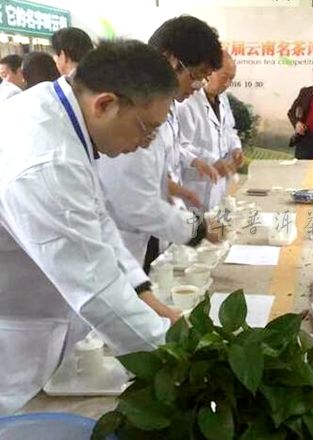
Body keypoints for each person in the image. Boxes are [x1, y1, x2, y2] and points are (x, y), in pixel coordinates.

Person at [0, 40, 179, 415]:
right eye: (146, 129)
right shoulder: (49, 160)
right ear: (104, 104)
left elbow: (98, 222)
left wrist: (146, 295)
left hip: (39, 319)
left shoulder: (59, 115)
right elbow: (95, 289)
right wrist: (180, 357)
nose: (145, 144)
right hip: (16, 341)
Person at [96, 16, 222, 270]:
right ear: (171, 60)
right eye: (196, 76)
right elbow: (135, 201)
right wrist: (199, 228)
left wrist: (172, 187)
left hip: (145, 233)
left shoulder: (164, 105)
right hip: (119, 240)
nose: (198, 86)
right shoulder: (131, 107)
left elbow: (151, 164)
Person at [177, 50, 245, 209]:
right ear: (209, 73)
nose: (227, 83)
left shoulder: (223, 99)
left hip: (218, 185)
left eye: (231, 79)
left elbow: (229, 129)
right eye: (224, 77)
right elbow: (180, 146)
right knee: (195, 221)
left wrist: (236, 148)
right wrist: (211, 160)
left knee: (217, 220)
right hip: (194, 186)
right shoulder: (187, 101)